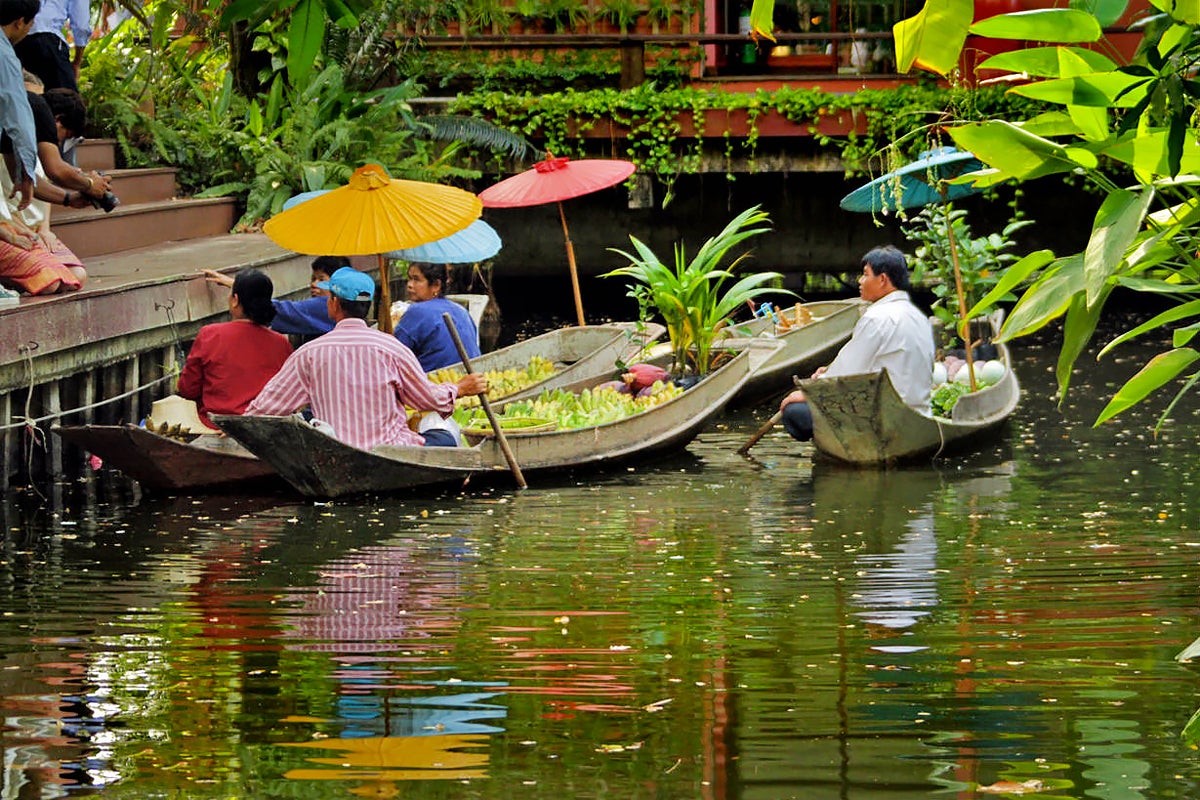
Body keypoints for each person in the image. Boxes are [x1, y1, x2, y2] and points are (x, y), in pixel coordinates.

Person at [246, 266, 488, 450]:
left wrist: (237, 424)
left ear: (333, 303)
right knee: (445, 433)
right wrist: (457, 389)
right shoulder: (393, 349)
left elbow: (265, 409)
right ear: (367, 307)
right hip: (393, 452)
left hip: (334, 450)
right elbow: (427, 399)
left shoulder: (309, 353)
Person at [779, 245, 935, 441]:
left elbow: (847, 372)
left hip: (884, 418)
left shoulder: (877, 317)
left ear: (883, 279)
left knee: (794, 411)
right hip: (917, 415)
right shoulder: (918, 316)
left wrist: (807, 393)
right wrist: (827, 372)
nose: (860, 281)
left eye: (865, 275)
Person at [177, 269, 293, 431]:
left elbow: (188, 389)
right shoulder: (281, 343)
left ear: (235, 300)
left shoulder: (210, 334)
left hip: (213, 425)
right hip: (263, 430)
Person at [202, 256, 345, 339]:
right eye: (313, 278)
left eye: (322, 279)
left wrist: (241, 286)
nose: (314, 284)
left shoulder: (324, 306)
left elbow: (287, 311)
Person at [394, 261, 480, 372]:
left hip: (437, 382)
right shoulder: (461, 310)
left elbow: (394, 355)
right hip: (472, 374)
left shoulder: (417, 311)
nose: (410, 285)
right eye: (409, 279)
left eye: (416, 280)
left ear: (436, 285)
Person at [0, 0, 41, 213]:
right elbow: (18, 117)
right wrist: (26, 174)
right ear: (18, 22)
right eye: (30, 25)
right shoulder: (5, 57)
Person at [13, 0, 88, 92]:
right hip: (48, 42)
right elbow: (81, 25)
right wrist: (77, 62)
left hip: (14, 34)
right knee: (66, 99)